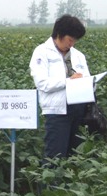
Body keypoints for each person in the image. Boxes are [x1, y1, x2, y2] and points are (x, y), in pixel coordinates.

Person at [29, 15, 90, 161]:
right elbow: (42, 83)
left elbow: (87, 78)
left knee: (76, 157)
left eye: (75, 41)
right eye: (70, 39)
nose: (72, 44)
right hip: (57, 112)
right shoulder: (41, 52)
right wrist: (68, 81)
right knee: (54, 157)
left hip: (78, 110)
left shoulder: (78, 55)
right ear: (59, 34)